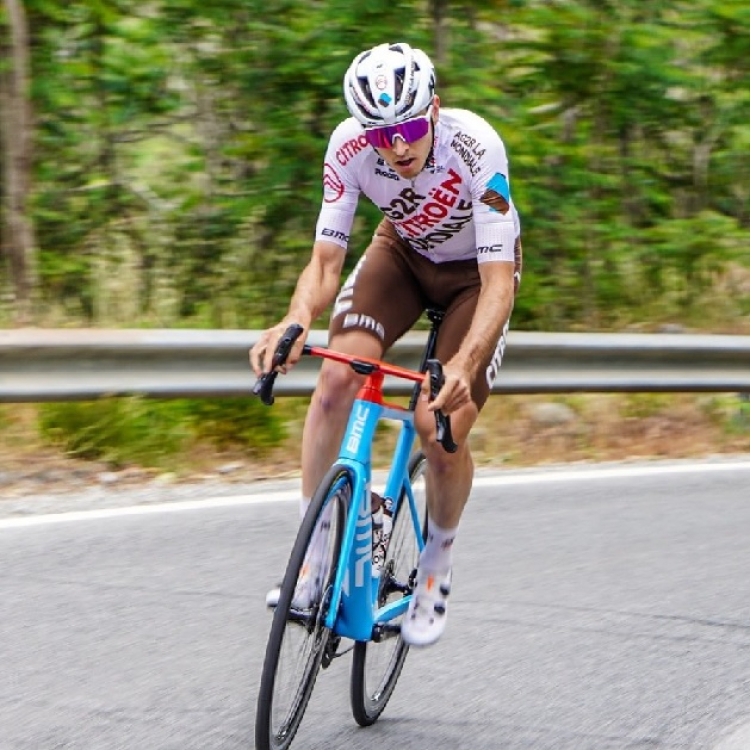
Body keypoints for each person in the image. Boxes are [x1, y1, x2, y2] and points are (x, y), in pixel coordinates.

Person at [250, 41, 522, 648]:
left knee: (438, 422)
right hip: (400, 255)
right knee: (336, 382)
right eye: (380, 135)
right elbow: (326, 261)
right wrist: (295, 318)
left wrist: (462, 363)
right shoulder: (348, 149)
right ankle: (315, 562)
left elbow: (500, 283)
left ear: (434, 110)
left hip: (477, 279)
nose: (397, 147)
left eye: (407, 128)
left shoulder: (477, 147)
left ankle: (436, 565)